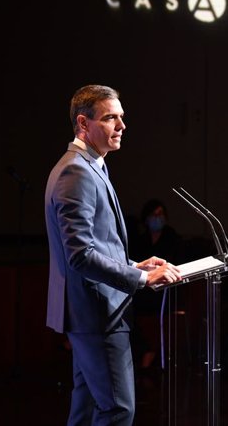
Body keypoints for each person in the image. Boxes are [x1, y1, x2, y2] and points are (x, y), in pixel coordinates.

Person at [45, 85, 182, 426]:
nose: (121, 126)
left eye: (121, 117)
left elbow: (96, 244)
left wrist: (133, 264)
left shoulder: (91, 165)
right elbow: (79, 255)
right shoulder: (75, 171)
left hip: (93, 311)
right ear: (83, 123)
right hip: (96, 314)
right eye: (110, 118)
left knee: (89, 408)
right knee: (118, 410)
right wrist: (140, 277)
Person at [129, 199, 184, 371]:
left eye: (161, 214)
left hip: (166, 291)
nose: (157, 218)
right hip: (143, 288)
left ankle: (148, 353)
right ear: (146, 218)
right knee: (125, 307)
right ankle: (145, 350)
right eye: (154, 215)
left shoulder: (173, 238)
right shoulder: (140, 240)